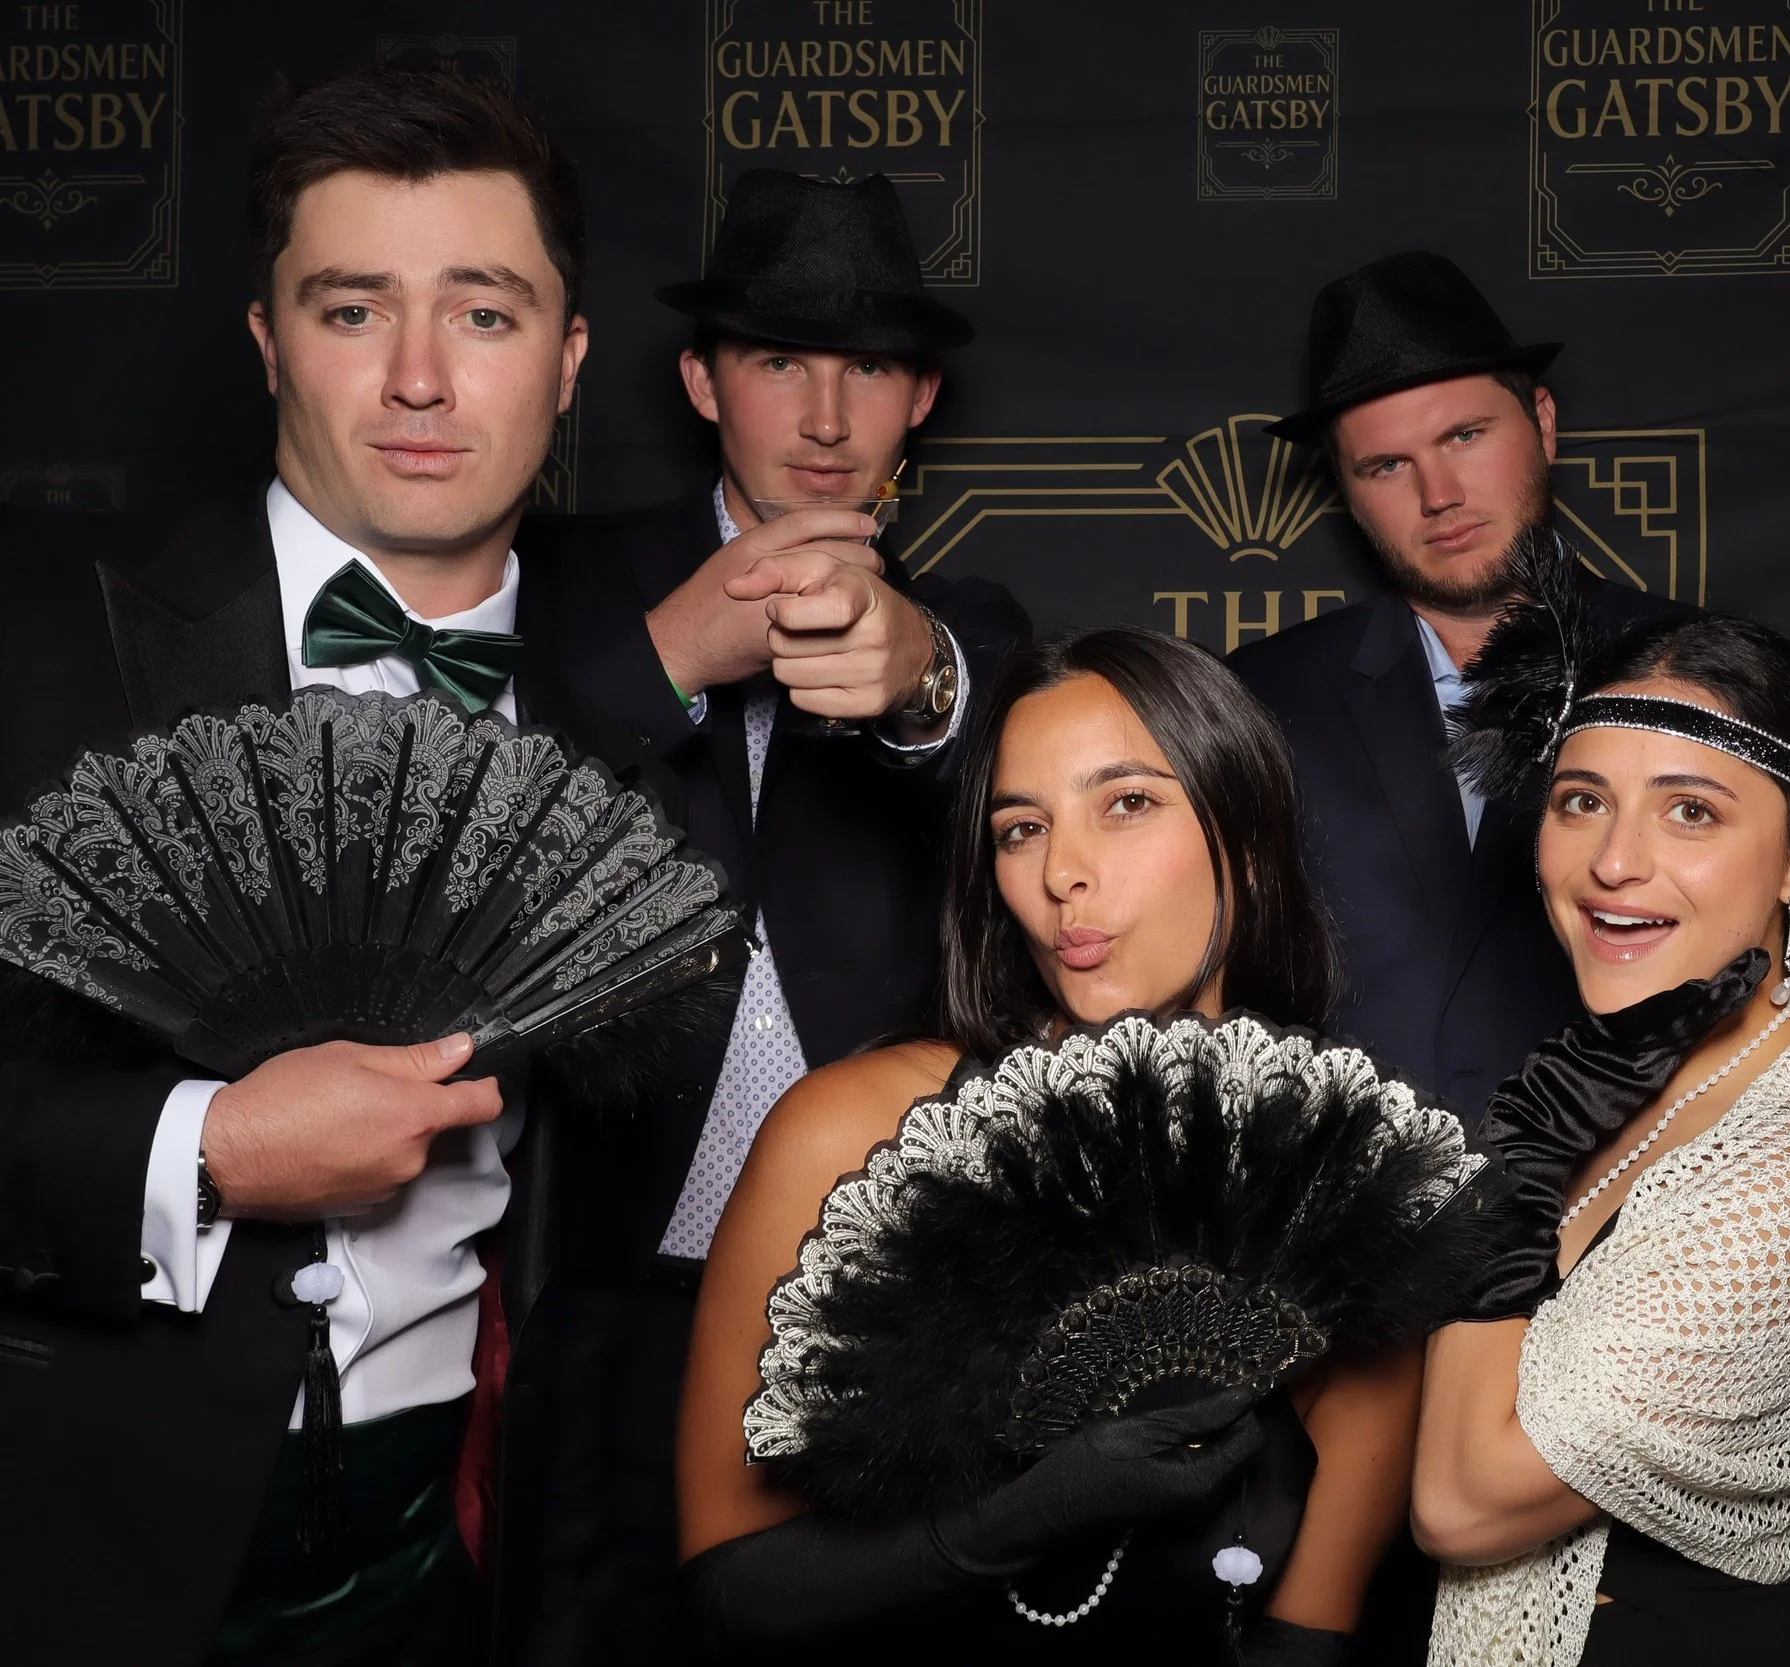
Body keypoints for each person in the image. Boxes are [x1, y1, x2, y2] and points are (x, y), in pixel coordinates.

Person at [0, 65, 636, 1665]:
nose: (420, 377)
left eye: (483, 316)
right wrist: (200, 1146)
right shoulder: (44, 651)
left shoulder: (640, 690)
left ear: (568, 363)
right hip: (92, 1546)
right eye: (355, 311)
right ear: (269, 340)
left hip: (491, 1556)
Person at [496, 170, 1030, 1664]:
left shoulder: (972, 617)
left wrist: (912, 674)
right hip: (604, 1291)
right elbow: (464, 828)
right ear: (697, 378)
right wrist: (670, 653)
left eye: (868, 367)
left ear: (921, 395)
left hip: (870, 1312)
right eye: (779, 360)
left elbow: (964, 694)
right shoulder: (558, 588)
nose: (823, 416)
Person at [674, 628, 1414, 1662]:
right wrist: (1012, 1520)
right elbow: (725, 1589)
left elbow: (1304, 1638)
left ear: (1243, 837)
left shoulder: (1341, 1186)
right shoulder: (851, 1134)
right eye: (1021, 828)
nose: (1063, 870)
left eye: (1126, 803)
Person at [1412, 594, 1790, 1667]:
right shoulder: (1613, 1082)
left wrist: (1509, 1183)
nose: (1613, 862)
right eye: (1581, 799)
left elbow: (1459, 1500)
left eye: (1690, 812)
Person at [1230, 250, 1697, 1123]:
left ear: (1544, 422)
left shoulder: (1694, 669)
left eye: (1465, 437)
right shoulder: (1257, 694)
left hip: (1629, 1208)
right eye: (1387, 466)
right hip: (1344, 1222)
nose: (1439, 494)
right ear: (1346, 489)